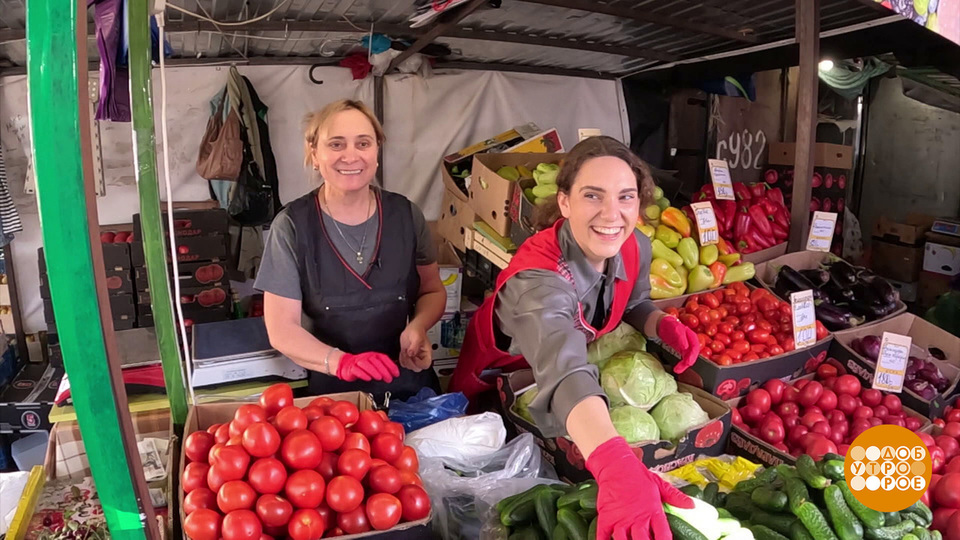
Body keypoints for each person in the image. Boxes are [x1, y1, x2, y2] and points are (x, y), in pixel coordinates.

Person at [450, 136, 700, 539]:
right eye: (592, 196)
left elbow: (633, 301)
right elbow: (561, 366)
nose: (611, 213)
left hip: (573, 400)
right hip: (502, 391)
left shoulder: (635, 244)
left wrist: (659, 324)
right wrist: (614, 463)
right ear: (564, 202)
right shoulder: (536, 279)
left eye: (626, 197)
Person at [254, 99, 446, 403]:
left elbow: (432, 290)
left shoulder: (407, 215)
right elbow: (281, 329)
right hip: (334, 397)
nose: (351, 155)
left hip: (409, 383)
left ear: (377, 151)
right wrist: (341, 363)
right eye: (336, 144)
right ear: (314, 153)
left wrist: (418, 326)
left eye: (363, 143)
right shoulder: (291, 226)